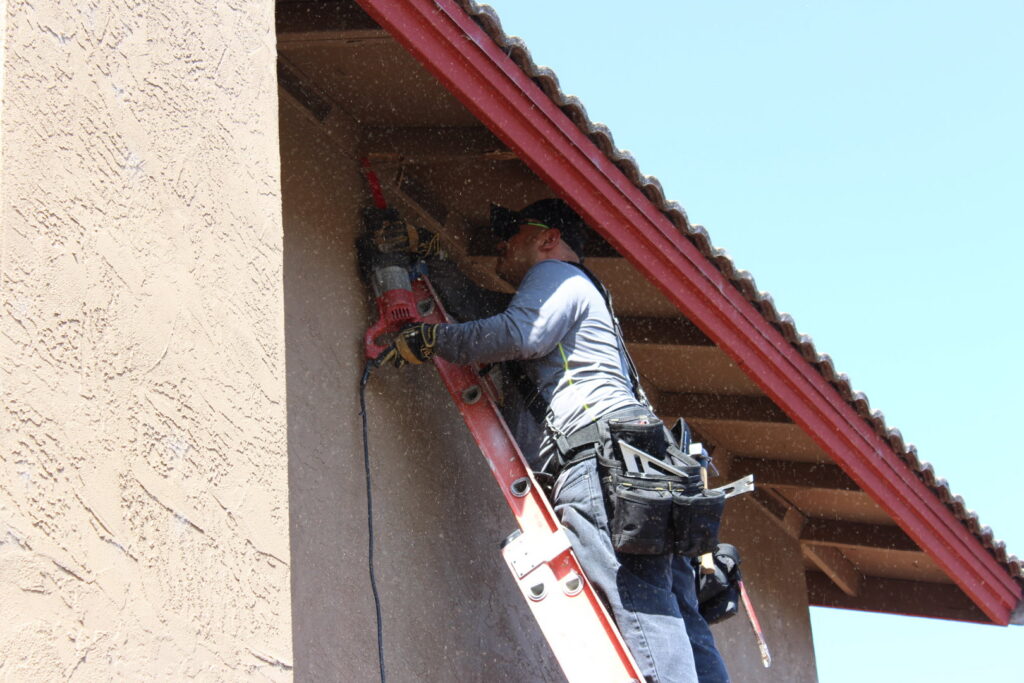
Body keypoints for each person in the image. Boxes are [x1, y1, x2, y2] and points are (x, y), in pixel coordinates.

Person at [395, 198, 729, 683]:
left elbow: (517, 333)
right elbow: (489, 313)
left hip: (599, 459)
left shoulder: (555, 275)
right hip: (646, 466)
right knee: (674, 606)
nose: (501, 247)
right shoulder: (584, 294)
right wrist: (432, 261)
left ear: (548, 238)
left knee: (635, 598)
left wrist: (431, 341)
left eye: (511, 234)